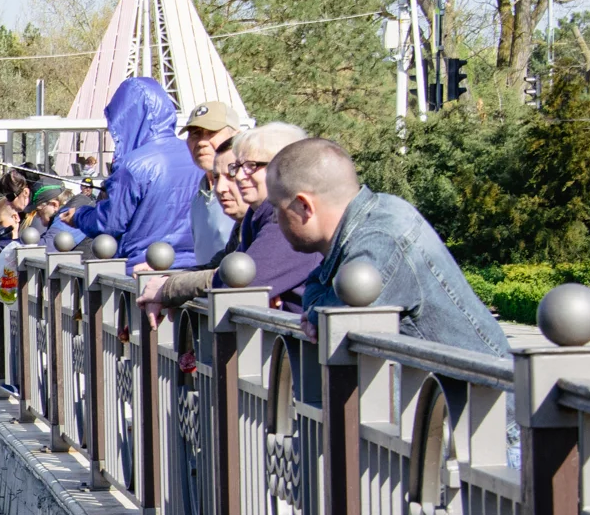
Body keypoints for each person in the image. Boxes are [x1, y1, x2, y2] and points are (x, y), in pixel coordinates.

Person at [268, 138, 508, 358]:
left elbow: (337, 316)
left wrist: (314, 316)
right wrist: (315, 314)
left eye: (276, 207)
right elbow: (317, 286)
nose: (275, 219)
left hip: (479, 388)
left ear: (304, 206)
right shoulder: (376, 215)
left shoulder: (382, 238)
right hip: (444, 387)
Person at [141, 121, 317, 313]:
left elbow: (239, 281)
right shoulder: (256, 216)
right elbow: (226, 270)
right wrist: (167, 286)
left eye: (251, 166)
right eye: (238, 167)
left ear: (284, 167)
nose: (240, 176)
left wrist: (168, 289)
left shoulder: (290, 218)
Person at [71, 76, 206, 268]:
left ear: (125, 119)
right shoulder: (196, 155)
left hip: (142, 268)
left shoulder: (132, 166)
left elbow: (110, 223)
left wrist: (79, 216)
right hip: (196, 266)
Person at [182, 101, 241, 262]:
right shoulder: (199, 196)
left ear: (237, 136)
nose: (201, 142)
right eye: (195, 134)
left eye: (211, 132)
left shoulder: (246, 193)